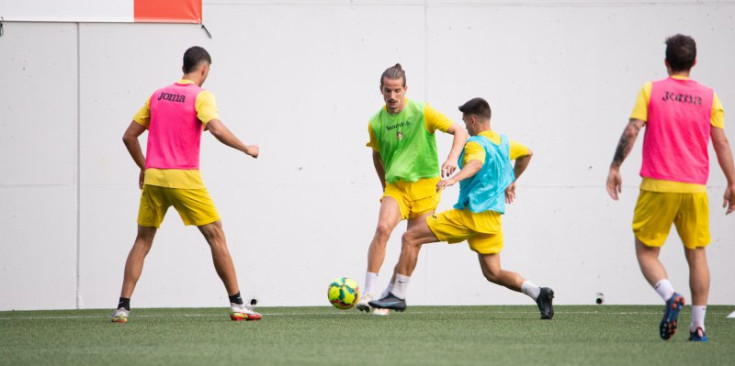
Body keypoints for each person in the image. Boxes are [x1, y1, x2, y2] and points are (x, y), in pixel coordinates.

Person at [111, 46, 262, 323]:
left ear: (184, 67)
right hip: (184, 179)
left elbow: (129, 137)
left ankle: (122, 308)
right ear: (204, 69)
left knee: (143, 241)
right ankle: (238, 304)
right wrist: (245, 148)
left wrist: (145, 167)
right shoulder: (201, 96)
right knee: (216, 235)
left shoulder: (157, 95)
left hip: (155, 178)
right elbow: (215, 128)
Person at [369, 97, 555, 320]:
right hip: (492, 221)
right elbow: (527, 153)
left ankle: (397, 294)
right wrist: (512, 179)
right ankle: (538, 292)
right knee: (493, 273)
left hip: (470, 215)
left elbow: (475, 164)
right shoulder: (505, 142)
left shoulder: (474, 144)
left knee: (410, 238)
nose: (465, 127)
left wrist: (452, 179)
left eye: (466, 122)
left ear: (474, 120)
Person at [606, 34, 735, 341]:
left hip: (657, 186)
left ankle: (670, 295)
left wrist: (615, 167)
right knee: (697, 254)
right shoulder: (709, 96)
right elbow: (721, 142)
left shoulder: (651, 91)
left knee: (646, 251)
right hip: (694, 188)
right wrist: (732, 181)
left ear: (666, 62)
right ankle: (698, 326)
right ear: (694, 62)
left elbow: (632, 130)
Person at [357, 64, 468, 314]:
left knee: (411, 242)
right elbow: (377, 155)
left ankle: (389, 295)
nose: (393, 96)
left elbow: (459, 131)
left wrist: (452, 159)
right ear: (381, 90)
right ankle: (368, 292)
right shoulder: (375, 122)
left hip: (426, 187)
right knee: (383, 228)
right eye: (388, 91)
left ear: (405, 89)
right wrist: (384, 185)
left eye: (397, 90)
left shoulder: (422, 111)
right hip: (396, 187)